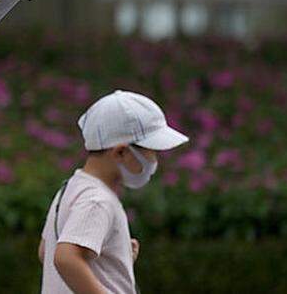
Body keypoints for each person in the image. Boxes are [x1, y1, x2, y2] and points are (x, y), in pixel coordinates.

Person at [39, 90, 190, 294]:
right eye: (151, 150)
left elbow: (45, 252)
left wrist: (114, 257)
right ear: (120, 152)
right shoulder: (97, 200)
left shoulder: (70, 188)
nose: (155, 159)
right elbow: (66, 258)